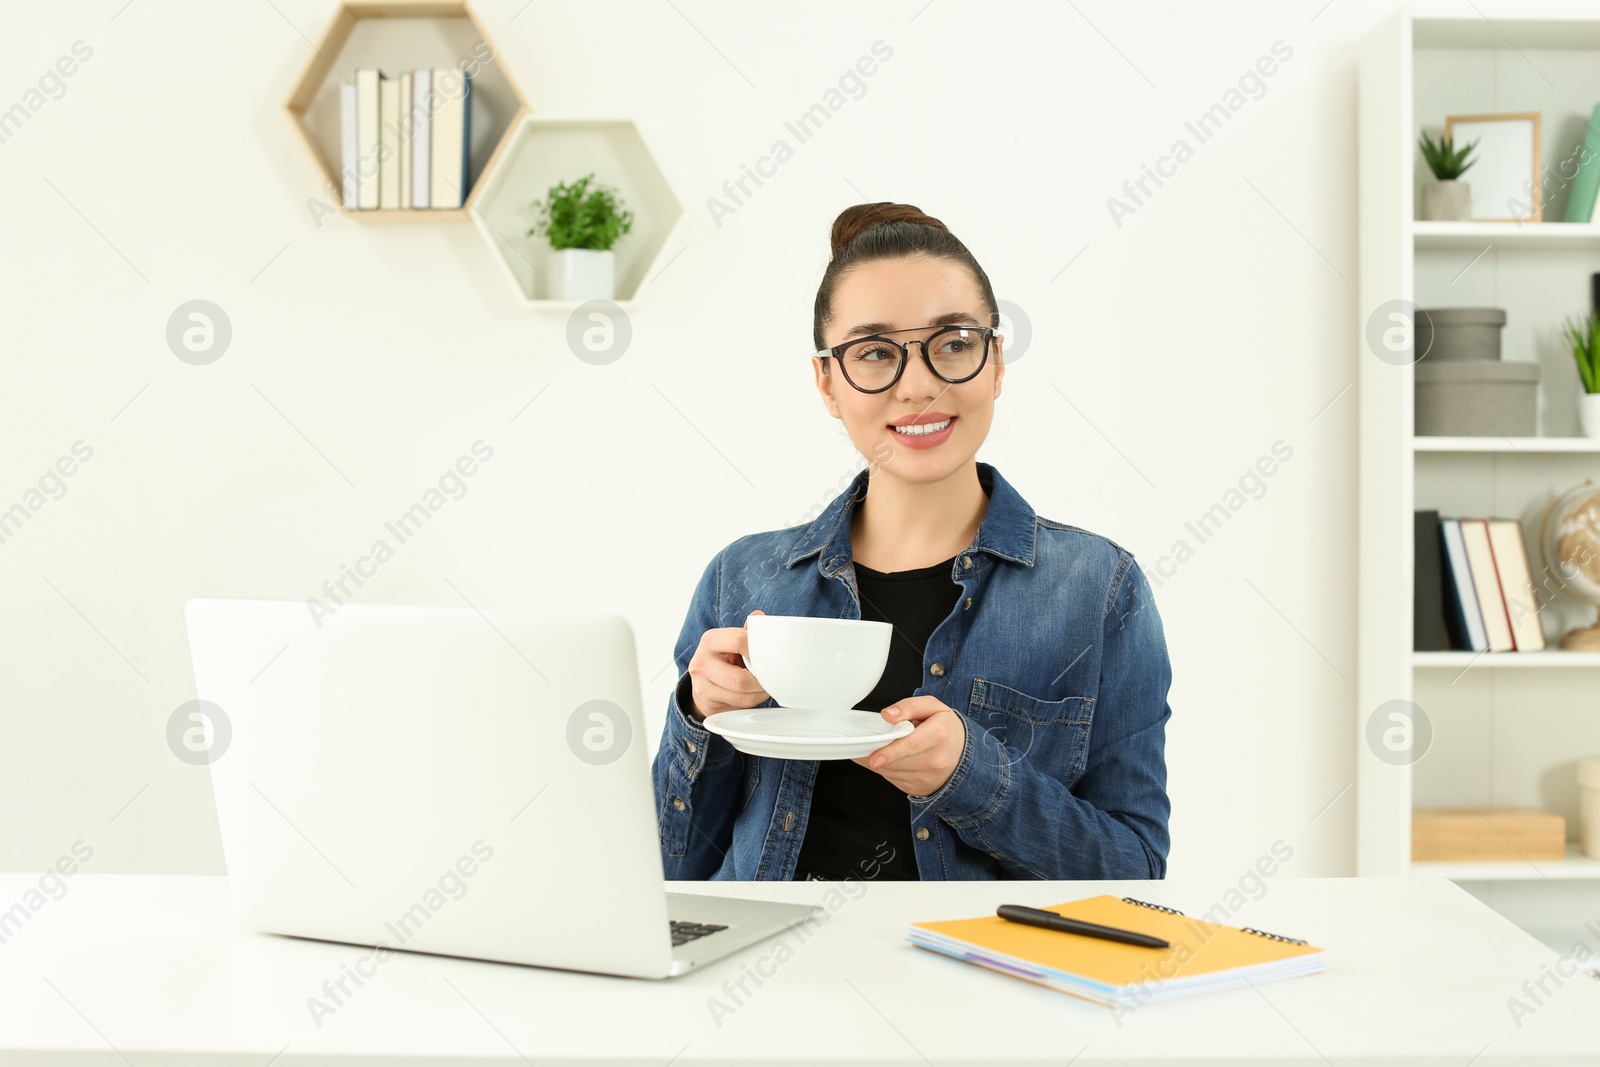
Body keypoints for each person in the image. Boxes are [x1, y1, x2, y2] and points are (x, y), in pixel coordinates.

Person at [650, 202, 1172, 881]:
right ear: (828, 383)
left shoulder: (1099, 591)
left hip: (979, 979)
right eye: (873, 353)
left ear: (995, 363)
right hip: (769, 976)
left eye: (953, 342)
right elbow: (671, 868)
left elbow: (1134, 868)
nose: (918, 385)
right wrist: (699, 716)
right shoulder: (742, 580)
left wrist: (972, 775)